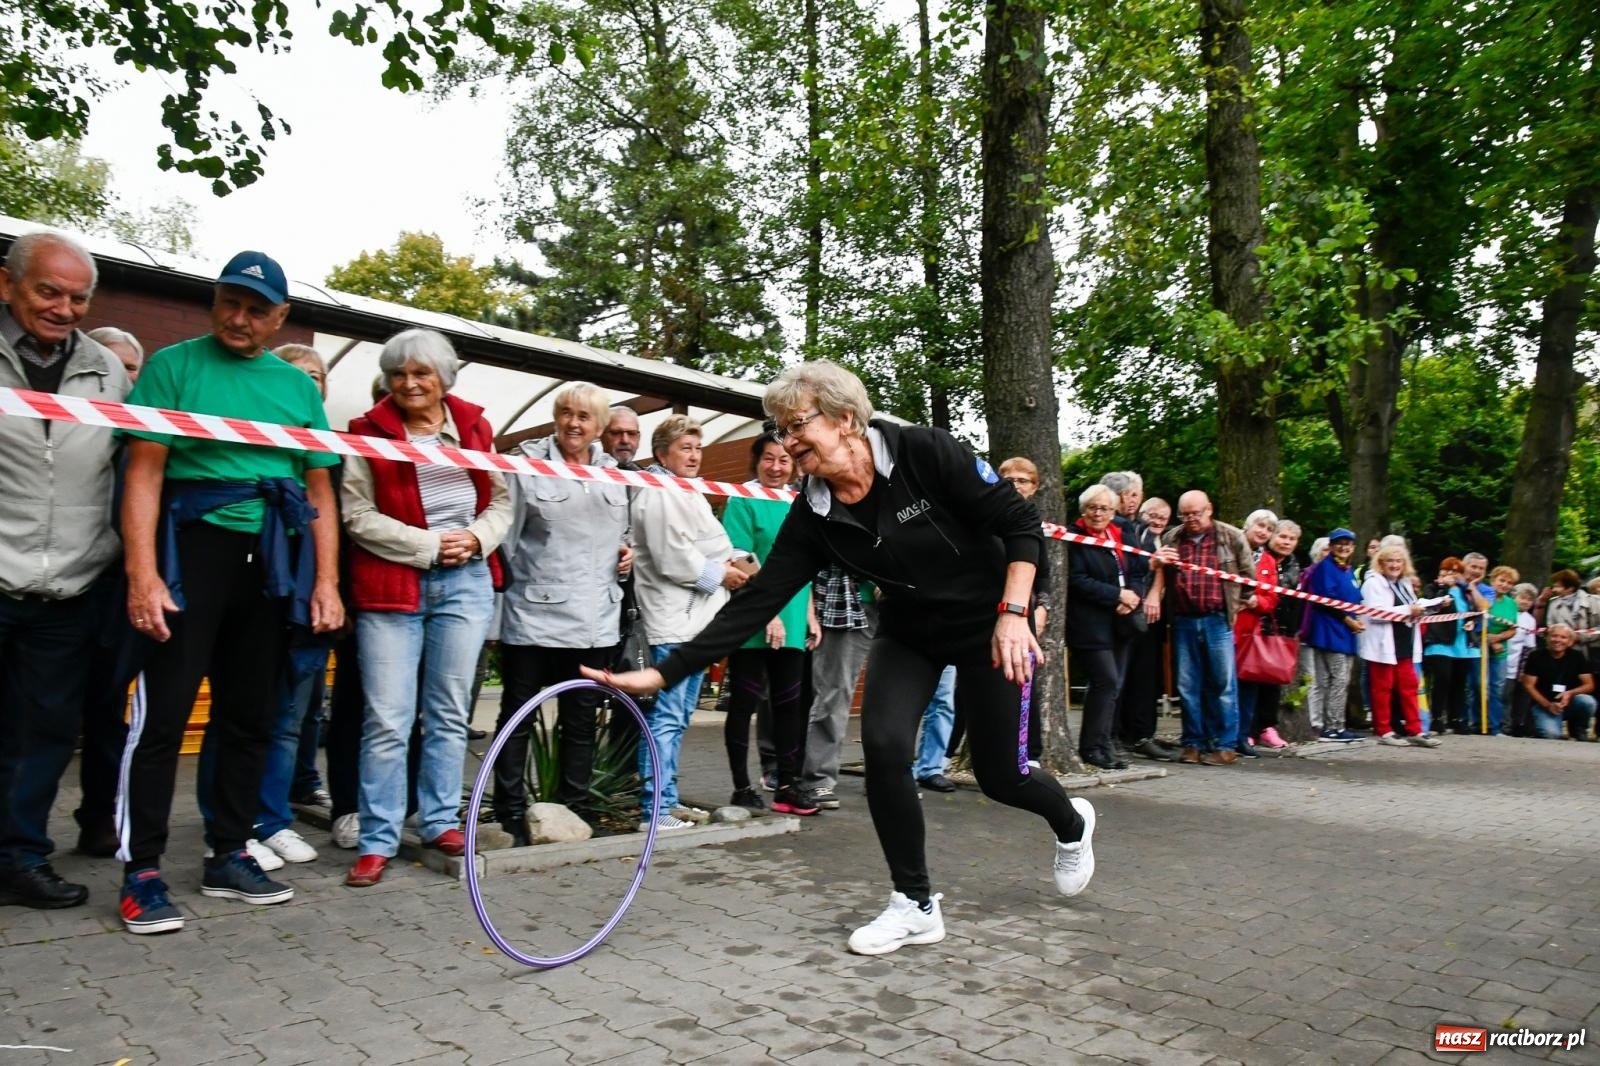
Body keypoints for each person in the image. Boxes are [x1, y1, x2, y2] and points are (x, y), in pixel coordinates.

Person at [588, 361, 1095, 957]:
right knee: (882, 747)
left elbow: (1018, 523)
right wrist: (663, 671)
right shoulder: (815, 514)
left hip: (990, 624)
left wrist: (1015, 611)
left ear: (847, 419)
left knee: (1000, 776)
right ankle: (915, 904)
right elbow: (758, 602)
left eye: (797, 424)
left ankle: (1072, 824)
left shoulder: (924, 452)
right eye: (779, 429)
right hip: (908, 633)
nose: (786, 440)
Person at [117, 251, 343, 934]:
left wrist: (326, 583)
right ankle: (142, 872)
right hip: (191, 552)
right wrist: (142, 574)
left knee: (251, 716)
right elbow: (144, 474)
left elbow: (318, 490)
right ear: (215, 302)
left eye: (256, 309)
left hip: (270, 561)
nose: (239, 319)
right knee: (162, 718)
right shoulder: (172, 367)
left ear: (279, 318)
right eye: (229, 302)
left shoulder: (297, 390)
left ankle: (227, 853)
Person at [340, 328, 511, 888]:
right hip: (392, 587)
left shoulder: (476, 428)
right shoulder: (367, 432)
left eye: (422, 373)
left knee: (447, 712)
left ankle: (439, 821)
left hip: (465, 585)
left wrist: (477, 539)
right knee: (387, 718)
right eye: (400, 374)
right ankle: (377, 838)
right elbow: (355, 513)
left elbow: (504, 500)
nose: (410, 383)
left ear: (444, 378)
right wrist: (428, 545)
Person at [0, 232, 132, 911]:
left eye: (78, 297)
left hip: (70, 588)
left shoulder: (110, 372)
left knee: (43, 735)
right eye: (48, 292)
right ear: (7, 286)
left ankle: (19, 859)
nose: (64, 308)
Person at [490, 382, 633, 842]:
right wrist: (496, 617)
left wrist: (627, 557)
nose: (573, 423)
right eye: (566, 413)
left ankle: (576, 811)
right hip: (533, 619)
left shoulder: (617, 474)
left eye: (584, 416)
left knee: (580, 723)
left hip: (595, 625)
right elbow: (505, 545)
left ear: (599, 426)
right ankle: (509, 815)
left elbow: (623, 538)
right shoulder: (527, 465)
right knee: (516, 720)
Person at [630, 415, 748, 828]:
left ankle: (668, 798)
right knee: (665, 717)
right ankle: (654, 810)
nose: (694, 455)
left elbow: (704, 542)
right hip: (673, 621)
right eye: (685, 447)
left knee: (679, 718)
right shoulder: (657, 493)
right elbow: (671, 556)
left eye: (698, 448)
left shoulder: (684, 490)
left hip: (696, 622)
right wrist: (724, 574)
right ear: (662, 452)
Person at [721, 435, 820, 810]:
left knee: (789, 705)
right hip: (753, 617)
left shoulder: (799, 502)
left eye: (784, 460)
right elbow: (740, 557)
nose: (776, 467)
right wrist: (770, 613)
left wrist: (809, 614)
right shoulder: (742, 497)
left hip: (793, 618)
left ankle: (788, 786)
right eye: (768, 459)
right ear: (756, 461)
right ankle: (741, 787)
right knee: (744, 703)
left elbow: (804, 562)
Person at [1156, 491, 1251, 765]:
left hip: (1217, 618)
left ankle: (1225, 745)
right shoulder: (1172, 538)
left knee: (1223, 684)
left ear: (1209, 509)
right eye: (1185, 514)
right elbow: (1162, 574)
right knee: (1187, 685)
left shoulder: (1230, 537)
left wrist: (1239, 603)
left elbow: (1248, 576)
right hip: (1183, 620)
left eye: (1196, 513)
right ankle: (1192, 743)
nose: (1191, 519)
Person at [1066, 484, 1144, 770]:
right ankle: (1091, 746)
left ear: (1114, 511)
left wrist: (1133, 595)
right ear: (1083, 510)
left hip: (1122, 619)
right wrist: (1116, 595)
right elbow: (1076, 579)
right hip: (1089, 622)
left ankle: (1104, 743)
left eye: (1105, 509)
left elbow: (1137, 568)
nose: (1098, 514)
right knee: (1106, 680)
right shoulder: (1073, 535)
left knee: (1115, 684)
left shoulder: (1122, 531)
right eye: (1092, 508)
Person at [802, 565, 875, 810]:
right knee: (834, 693)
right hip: (845, 600)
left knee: (890, 698)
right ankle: (818, 778)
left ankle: (887, 775)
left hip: (896, 605)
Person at [1357, 544, 1439, 747]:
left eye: (1398, 561)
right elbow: (1376, 614)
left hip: (1405, 643)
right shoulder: (1372, 583)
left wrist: (1430, 607)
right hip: (1383, 643)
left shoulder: (1405, 583)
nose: (1394, 565)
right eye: (1390, 561)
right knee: (1382, 687)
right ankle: (1383, 730)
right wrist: (1408, 610)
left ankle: (1416, 729)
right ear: (1381, 563)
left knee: (1410, 686)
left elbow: (1412, 609)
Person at [1301, 528, 1366, 742]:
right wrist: (1347, 620)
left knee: (1342, 679)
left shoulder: (1347, 570)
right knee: (1336, 679)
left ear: (1353, 547)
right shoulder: (1325, 568)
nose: (1344, 547)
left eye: (1348, 543)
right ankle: (1332, 726)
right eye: (1339, 543)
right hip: (1330, 630)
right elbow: (1325, 601)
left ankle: (1338, 724)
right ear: (1331, 545)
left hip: (1346, 632)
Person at [1231, 509, 1280, 759]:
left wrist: (1255, 602)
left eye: (1269, 529)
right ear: (1247, 525)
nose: (1263, 532)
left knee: (1248, 687)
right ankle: (1219, 736)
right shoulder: (1230, 547)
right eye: (1259, 526)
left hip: (1251, 633)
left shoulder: (1269, 561)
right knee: (1221, 684)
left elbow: (1272, 599)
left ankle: (1242, 736)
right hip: (1226, 626)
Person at [1251, 519, 1303, 749]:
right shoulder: (1260, 558)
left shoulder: (1294, 565)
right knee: (1251, 678)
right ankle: (1249, 728)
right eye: (1282, 536)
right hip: (1257, 626)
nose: (1286, 542)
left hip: (1281, 630)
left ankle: (1267, 726)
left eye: (1291, 539)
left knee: (1273, 681)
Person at [1421, 557, 1474, 735]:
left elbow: (1473, 611)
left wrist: (1472, 622)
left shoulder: (1465, 591)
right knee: (1442, 679)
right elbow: (1429, 605)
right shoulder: (1433, 587)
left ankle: (1455, 718)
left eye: (1455, 572)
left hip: (1461, 641)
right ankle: (1436, 718)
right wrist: (1443, 588)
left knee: (1459, 682)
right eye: (1447, 571)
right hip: (1439, 640)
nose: (1451, 575)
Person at [1468, 564, 1520, 735]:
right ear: (1493, 580)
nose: (1505, 585)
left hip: (1500, 651)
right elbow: (1477, 619)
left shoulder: (1511, 603)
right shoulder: (1483, 596)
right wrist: (1490, 640)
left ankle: (1494, 726)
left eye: (1509, 582)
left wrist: (1498, 639)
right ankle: (1475, 722)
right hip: (1479, 645)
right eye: (1502, 580)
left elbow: (1513, 628)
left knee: (1497, 688)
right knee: (1477, 685)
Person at [1520, 625, 1596, 741]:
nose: (1557, 640)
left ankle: (1579, 729)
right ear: (1547, 638)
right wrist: (1548, 705)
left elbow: (1589, 685)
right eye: (1554, 636)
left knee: (1588, 702)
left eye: (1563, 637)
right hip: (1544, 705)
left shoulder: (1577, 656)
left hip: (1569, 703)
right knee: (1552, 735)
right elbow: (1528, 685)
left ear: (1570, 642)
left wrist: (1570, 693)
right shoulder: (1535, 656)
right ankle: (1537, 726)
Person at [914, 667, 958, 792]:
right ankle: (892, 772)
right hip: (905, 649)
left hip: (947, 648)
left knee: (942, 703)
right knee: (900, 699)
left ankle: (930, 769)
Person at [1538, 570, 1599, 653]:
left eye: (1558, 586)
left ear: (1570, 588)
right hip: (1563, 651)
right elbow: (1551, 627)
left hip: (1589, 650)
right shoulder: (1553, 604)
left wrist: (1579, 636)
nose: (1554, 589)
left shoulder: (1593, 601)